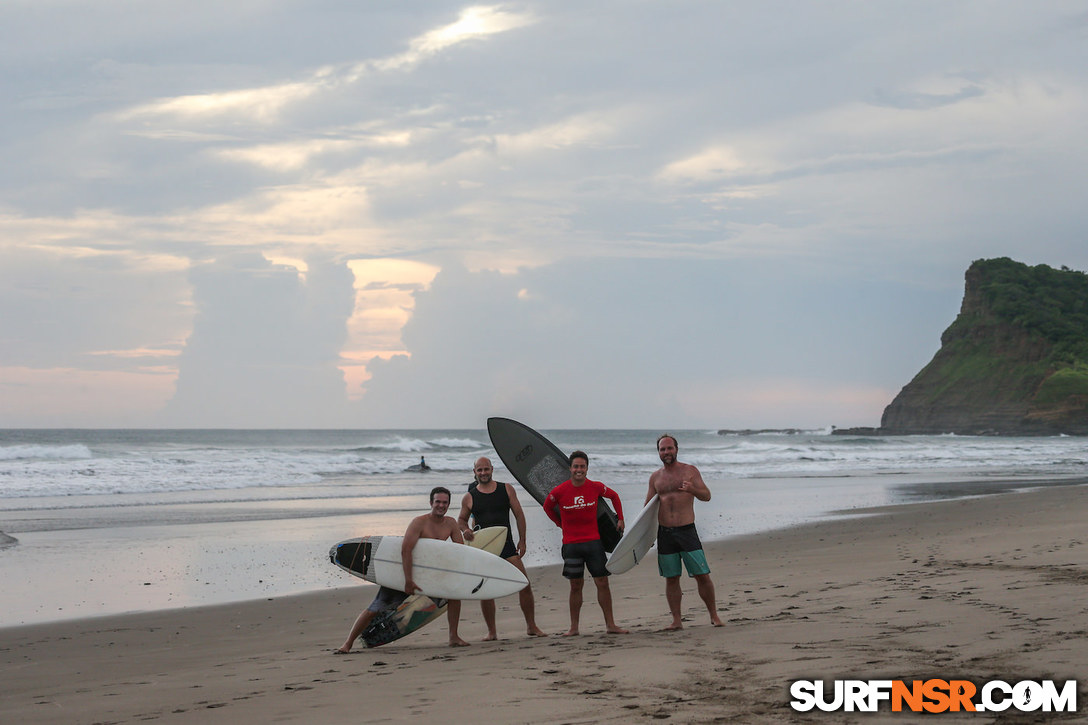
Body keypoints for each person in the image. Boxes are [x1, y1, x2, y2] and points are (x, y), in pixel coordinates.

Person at [336, 486, 469, 652]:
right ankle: (347, 643)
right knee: (375, 609)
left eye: (445, 502)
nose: (441, 505)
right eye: (438, 502)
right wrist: (408, 581)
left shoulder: (450, 523)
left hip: (429, 574)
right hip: (404, 574)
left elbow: (460, 551)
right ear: (431, 503)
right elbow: (406, 550)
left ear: (449, 504)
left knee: (454, 596)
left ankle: (453, 637)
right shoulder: (419, 523)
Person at [457, 457, 547, 639]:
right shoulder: (470, 496)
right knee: (486, 591)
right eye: (479, 470)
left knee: (524, 584)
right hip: (484, 547)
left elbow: (519, 514)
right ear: (474, 472)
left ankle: (531, 626)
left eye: (486, 469)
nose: (483, 473)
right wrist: (466, 530)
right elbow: (461, 520)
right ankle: (492, 631)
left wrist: (522, 541)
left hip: (506, 545)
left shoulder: (506, 489)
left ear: (492, 469)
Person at [543, 451, 629, 636]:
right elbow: (547, 506)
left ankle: (611, 625)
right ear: (570, 468)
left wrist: (620, 519)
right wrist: (559, 523)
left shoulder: (595, 487)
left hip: (593, 543)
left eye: (582, 466)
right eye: (576, 466)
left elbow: (614, 496)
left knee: (602, 582)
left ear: (587, 468)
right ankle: (574, 628)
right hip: (572, 545)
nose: (579, 470)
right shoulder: (560, 490)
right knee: (575, 586)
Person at [646, 434, 723, 630]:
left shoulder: (690, 471)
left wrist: (692, 490)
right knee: (671, 578)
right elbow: (647, 508)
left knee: (702, 575)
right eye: (662, 449)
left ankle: (714, 615)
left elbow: (707, 496)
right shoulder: (655, 477)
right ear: (659, 452)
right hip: (665, 534)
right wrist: (644, 537)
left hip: (686, 531)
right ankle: (677, 621)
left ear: (676, 449)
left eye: (669, 448)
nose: (666, 452)